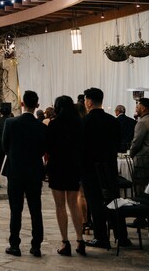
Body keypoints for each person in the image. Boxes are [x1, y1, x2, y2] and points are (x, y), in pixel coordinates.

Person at [3, 90, 47, 258]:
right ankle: (36, 246)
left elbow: (5, 146)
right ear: (37, 105)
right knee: (36, 210)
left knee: (16, 210)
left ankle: (14, 245)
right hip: (34, 171)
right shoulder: (41, 127)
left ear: (22, 104)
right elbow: (43, 149)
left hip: (15, 171)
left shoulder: (11, 123)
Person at [46, 96, 85, 256]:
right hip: (74, 166)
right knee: (74, 204)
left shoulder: (54, 124)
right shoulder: (79, 123)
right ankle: (80, 240)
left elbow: (48, 146)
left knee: (60, 206)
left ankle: (65, 242)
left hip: (57, 166)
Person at [80, 87, 119, 249]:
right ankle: (121, 236)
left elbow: (81, 147)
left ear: (89, 102)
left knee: (95, 202)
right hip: (110, 166)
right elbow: (118, 144)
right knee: (114, 200)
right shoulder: (112, 121)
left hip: (90, 169)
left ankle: (101, 237)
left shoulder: (85, 122)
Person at [129, 98, 149, 196]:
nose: (136, 109)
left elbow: (136, 143)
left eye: (137, 107)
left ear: (143, 108)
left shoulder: (142, 122)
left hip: (143, 161)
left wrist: (131, 154)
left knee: (140, 188)